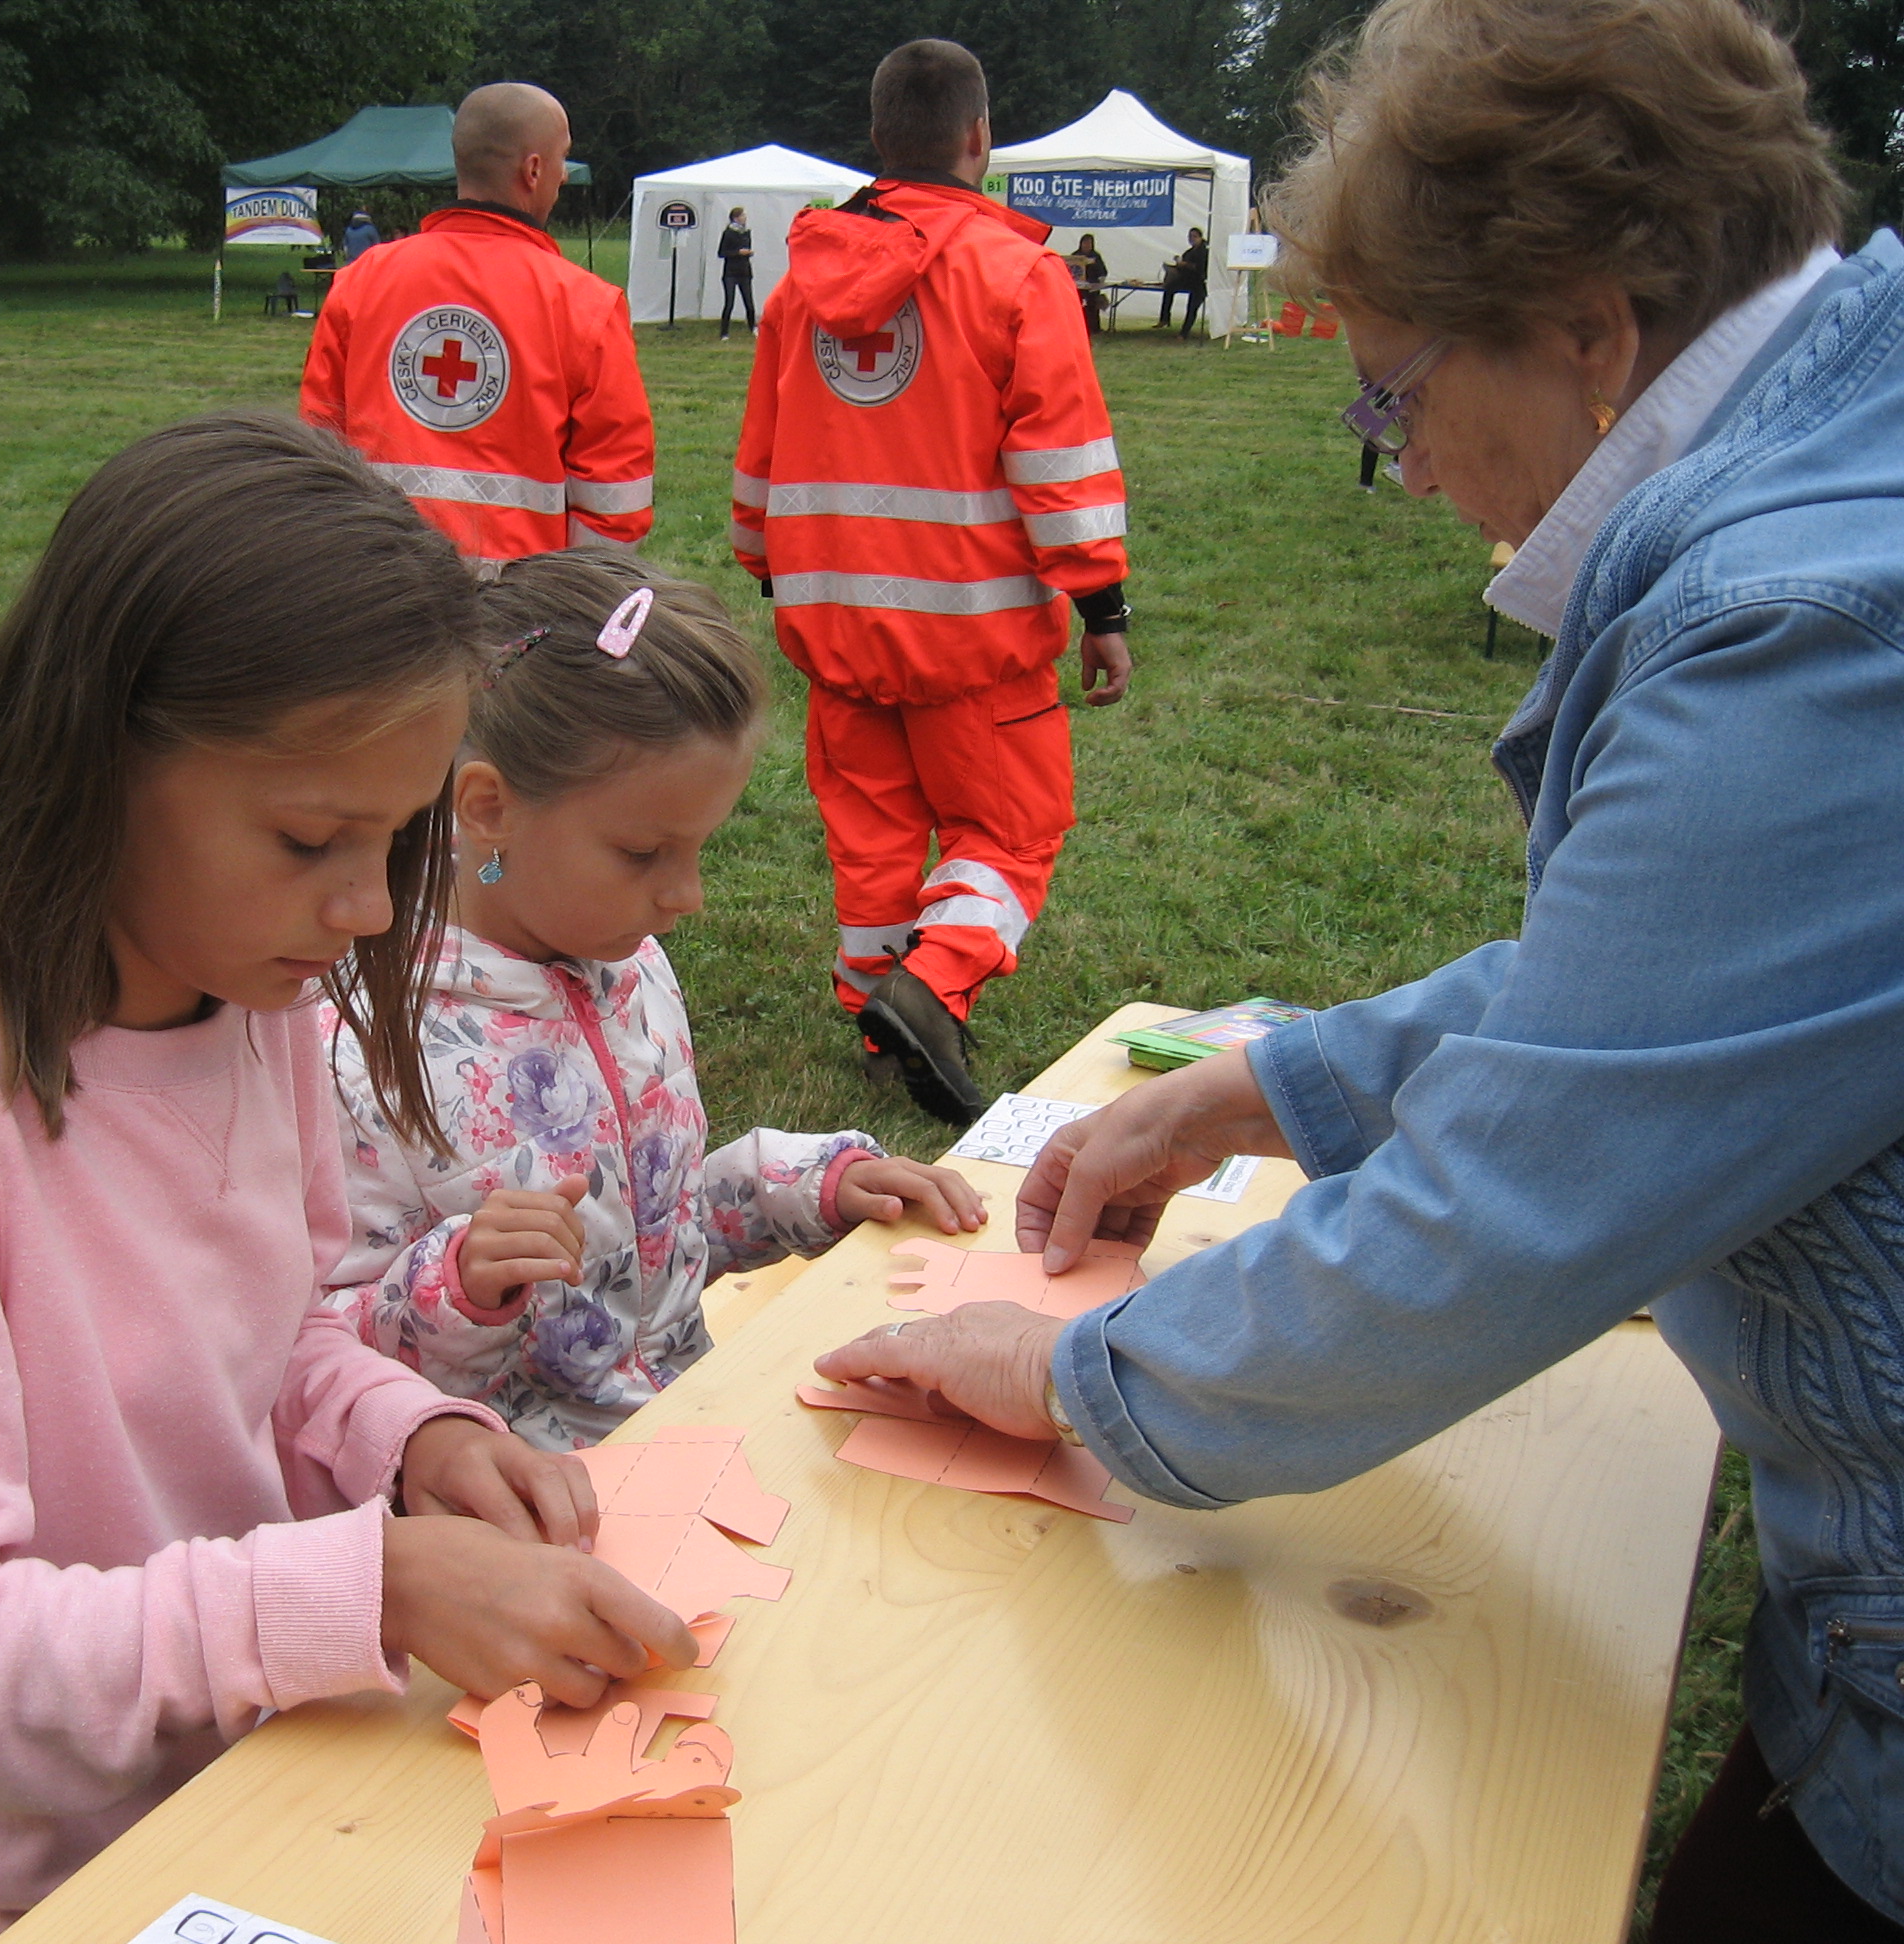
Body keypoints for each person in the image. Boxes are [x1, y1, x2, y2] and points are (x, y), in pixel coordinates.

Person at [812, 0, 1904, 1936]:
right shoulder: (1833, 496)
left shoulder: (1793, 632)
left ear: (1589, 332)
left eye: (1393, 395)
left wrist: (1073, 1371)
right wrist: (1274, 1084)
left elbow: (1504, 1212)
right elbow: (1692, 988)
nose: (1393, 467)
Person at [0, 413, 698, 1944]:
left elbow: (283, 1339)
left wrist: (409, 1439)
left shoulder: (254, 998)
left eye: (394, 840)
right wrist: (368, 1589)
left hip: (285, 1775)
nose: (367, 904)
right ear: (95, 758)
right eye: (313, 835)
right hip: (50, 1891)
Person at [322, 554, 987, 1448]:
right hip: (519, 1508)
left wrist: (797, 1189)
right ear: (489, 809)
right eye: (645, 853)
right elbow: (321, 1354)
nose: (688, 896)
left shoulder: (627, 970)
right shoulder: (363, 1048)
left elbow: (650, 1237)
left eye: (698, 849)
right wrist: (459, 1286)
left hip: (687, 1435)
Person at [732, 39, 1136, 1126]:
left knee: (871, 836)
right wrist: (1101, 604)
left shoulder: (802, 283)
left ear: (878, 142)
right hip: (973, 635)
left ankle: (876, 1011)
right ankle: (934, 983)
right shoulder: (1018, 276)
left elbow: (760, 454)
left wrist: (770, 566)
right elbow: (1061, 459)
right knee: (1010, 835)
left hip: (833, 625)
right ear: (978, 139)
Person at [301, 83, 654, 568]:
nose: (564, 177)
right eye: (562, 160)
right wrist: (573, 604)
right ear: (532, 170)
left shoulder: (359, 283)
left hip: (377, 592)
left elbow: (317, 452)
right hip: (521, 612)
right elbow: (615, 499)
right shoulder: (587, 306)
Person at [1156, 226, 1208, 334]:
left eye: (1194, 236)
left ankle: (1184, 333)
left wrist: (1185, 264)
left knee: (1192, 306)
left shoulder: (1204, 251)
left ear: (1200, 237)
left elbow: (1201, 268)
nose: (1191, 239)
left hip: (1199, 282)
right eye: (1190, 236)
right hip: (1186, 279)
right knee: (1169, 288)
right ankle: (1164, 319)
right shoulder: (1189, 252)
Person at [717, 206, 758, 339]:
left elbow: (747, 248)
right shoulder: (728, 233)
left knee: (749, 302)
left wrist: (748, 253)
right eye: (742, 215)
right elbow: (722, 253)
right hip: (730, 273)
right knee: (729, 303)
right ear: (736, 218)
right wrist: (738, 252)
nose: (745, 217)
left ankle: (753, 327)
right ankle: (724, 332)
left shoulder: (746, 232)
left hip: (744, 271)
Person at [1065, 232, 1109, 334]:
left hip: (1092, 286)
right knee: (1077, 306)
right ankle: (1077, 327)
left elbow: (1103, 272)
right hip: (1078, 286)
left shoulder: (1096, 256)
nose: (1087, 245)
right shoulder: (1075, 255)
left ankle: (1094, 328)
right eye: (1085, 243)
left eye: (1089, 243)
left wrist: (1093, 264)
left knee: (1093, 306)